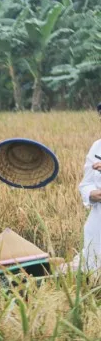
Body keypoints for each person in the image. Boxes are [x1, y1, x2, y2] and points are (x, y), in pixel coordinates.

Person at [75, 103, 101, 273]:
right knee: (92, 271)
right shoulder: (98, 146)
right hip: (98, 223)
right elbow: (86, 183)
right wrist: (92, 194)